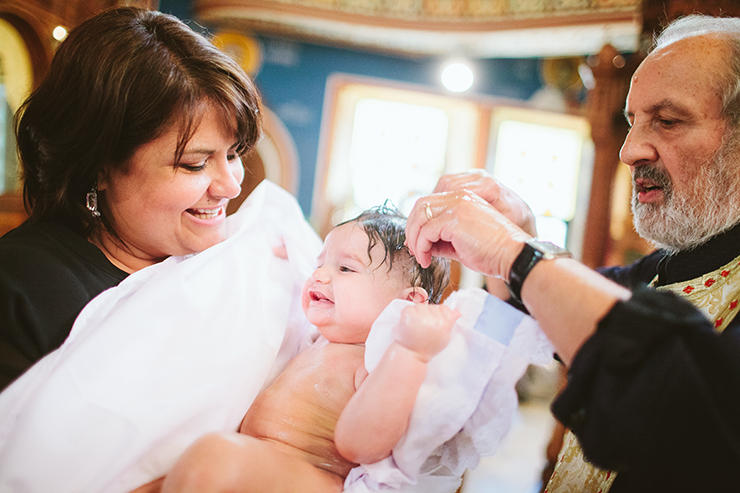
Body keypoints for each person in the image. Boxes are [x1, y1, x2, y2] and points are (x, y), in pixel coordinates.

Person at [405, 14, 740, 492]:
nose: (629, 151)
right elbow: (559, 320)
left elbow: (681, 403)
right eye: (632, 122)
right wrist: (519, 233)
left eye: (667, 121)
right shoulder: (667, 267)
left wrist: (513, 250)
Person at [0, 6, 262, 392]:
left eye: (234, 154)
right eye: (193, 164)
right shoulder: (21, 288)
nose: (231, 186)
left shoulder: (232, 263)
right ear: (98, 165)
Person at [154, 206, 453, 493]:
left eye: (345, 268)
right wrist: (287, 258)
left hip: (312, 475)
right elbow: (300, 276)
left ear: (408, 303)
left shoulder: (377, 364)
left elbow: (362, 446)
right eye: (319, 264)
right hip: (264, 461)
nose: (320, 275)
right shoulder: (320, 339)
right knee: (175, 471)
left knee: (213, 461)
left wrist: (412, 352)